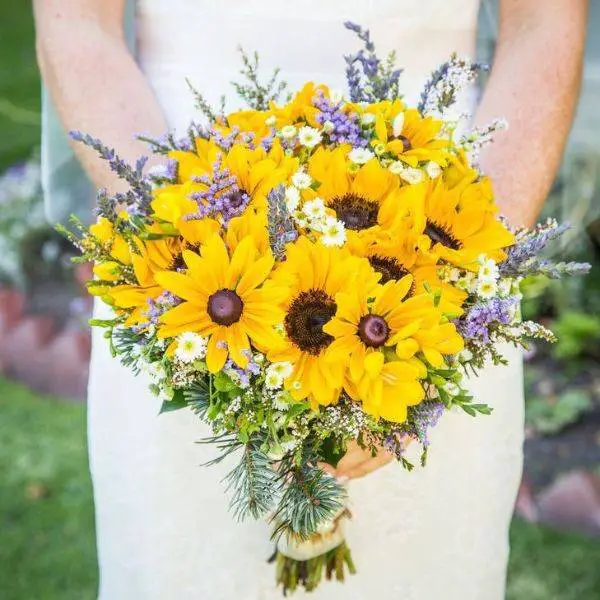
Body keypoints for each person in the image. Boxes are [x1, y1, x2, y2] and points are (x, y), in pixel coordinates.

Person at [34, 1, 588, 598]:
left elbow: (544, 24)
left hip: (435, 232)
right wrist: (180, 251)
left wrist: (457, 289)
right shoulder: (181, 260)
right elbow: (78, 25)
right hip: (183, 242)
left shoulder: (449, 290)